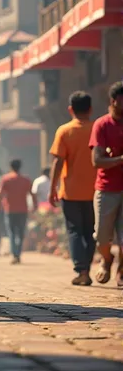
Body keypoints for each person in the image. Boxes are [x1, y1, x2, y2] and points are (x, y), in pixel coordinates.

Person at [48, 91, 96, 286]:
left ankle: (81, 270)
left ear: (70, 109)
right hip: (95, 191)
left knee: (75, 231)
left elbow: (58, 162)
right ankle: (87, 268)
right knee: (90, 231)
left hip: (70, 191)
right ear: (90, 109)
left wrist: (53, 188)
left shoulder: (64, 131)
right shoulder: (97, 129)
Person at [89, 81, 123, 287]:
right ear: (113, 101)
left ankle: (121, 271)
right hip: (106, 188)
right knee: (102, 239)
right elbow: (97, 161)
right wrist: (120, 160)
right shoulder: (102, 124)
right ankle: (107, 259)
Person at [0, 159, 36, 264]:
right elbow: (32, 194)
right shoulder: (26, 180)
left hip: (9, 210)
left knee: (12, 233)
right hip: (23, 210)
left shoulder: (6, 179)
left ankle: (15, 254)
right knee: (21, 233)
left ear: (11, 167)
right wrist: (35, 206)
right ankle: (17, 253)